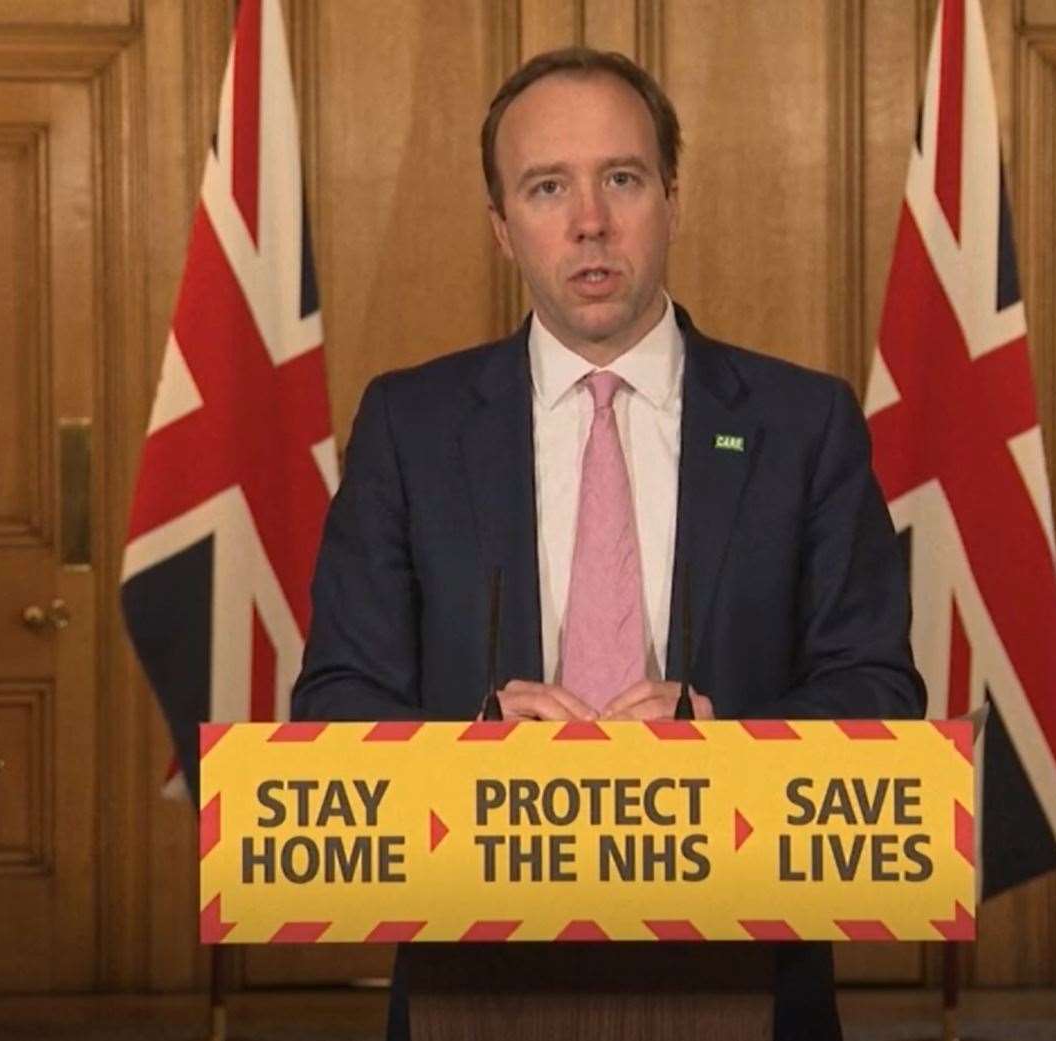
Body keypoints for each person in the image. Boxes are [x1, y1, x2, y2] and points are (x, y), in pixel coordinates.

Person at [292, 46, 924, 1041]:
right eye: (548, 188)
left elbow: (879, 690)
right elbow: (334, 701)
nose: (590, 221)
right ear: (502, 228)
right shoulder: (410, 429)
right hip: (477, 968)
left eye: (621, 179)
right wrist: (474, 743)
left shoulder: (805, 426)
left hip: (744, 966)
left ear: (671, 196)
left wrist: (721, 741)